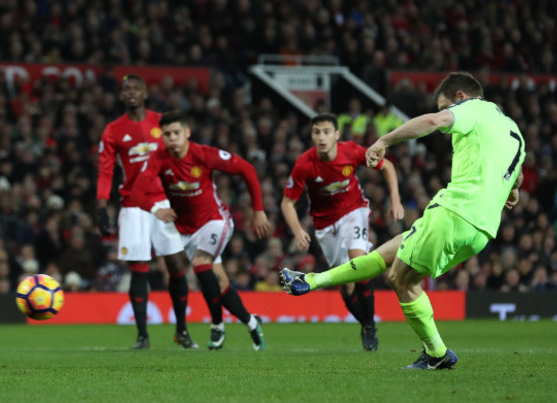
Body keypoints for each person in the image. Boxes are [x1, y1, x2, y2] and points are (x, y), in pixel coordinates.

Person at [281, 72, 526, 369]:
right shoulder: (511, 129)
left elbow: (434, 123)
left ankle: (437, 353)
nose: (444, 113)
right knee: (391, 251)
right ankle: (311, 280)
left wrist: (384, 139)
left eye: (446, 106)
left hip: (456, 211)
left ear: (460, 97)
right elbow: (517, 174)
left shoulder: (472, 108)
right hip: (483, 229)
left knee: (400, 278)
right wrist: (511, 191)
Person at [131, 111, 270, 351]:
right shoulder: (159, 159)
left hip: (215, 220)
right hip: (187, 231)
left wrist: (258, 210)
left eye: (176, 132)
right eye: (167, 134)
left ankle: (217, 325)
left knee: (201, 266)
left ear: (186, 133)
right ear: (162, 137)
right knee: (218, 284)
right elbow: (136, 193)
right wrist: (155, 209)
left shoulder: (204, 154)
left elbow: (247, 169)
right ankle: (251, 322)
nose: (172, 138)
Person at [280, 113, 404, 351]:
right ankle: (367, 323)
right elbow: (287, 203)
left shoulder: (351, 151)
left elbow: (386, 165)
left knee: (359, 261)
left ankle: (370, 327)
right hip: (325, 226)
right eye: (317, 132)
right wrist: (297, 231)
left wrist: (395, 200)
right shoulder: (304, 164)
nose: (321, 137)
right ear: (312, 136)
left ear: (336, 135)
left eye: (327, 131)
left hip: (354, 210)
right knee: (346, 285)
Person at [96, 75, 198, 350]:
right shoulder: (113, 130)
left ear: (144, 93)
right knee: (139, 269)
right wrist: (102, 206)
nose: (130, 93)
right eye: (125, 89)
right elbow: (106, 170)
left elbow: (181, 156)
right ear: (121, 96)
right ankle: (142, 336)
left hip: (165, 202)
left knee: (176, 265)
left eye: (135, 89)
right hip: (133, 204)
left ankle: (182, 330)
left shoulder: (162, 124)